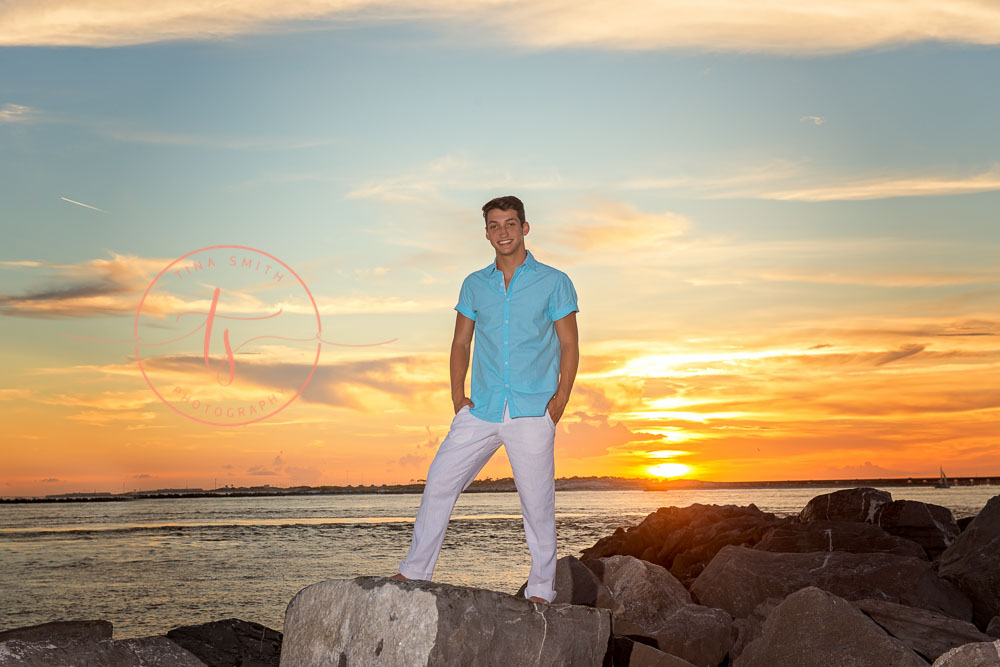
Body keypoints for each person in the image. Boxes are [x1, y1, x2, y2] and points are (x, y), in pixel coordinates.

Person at [392, 195, 580, 604]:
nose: (503, 232)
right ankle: (415, 572)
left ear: (525, 227)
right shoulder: (474, 285)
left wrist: (559, 400)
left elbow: (569, 344)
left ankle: (542, 590)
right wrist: (457, 396)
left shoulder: (554, 281)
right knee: (440, 481)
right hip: (481, 408)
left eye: (510, 224)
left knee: (537, 505)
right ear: (486, 233)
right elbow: (460, 343)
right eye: (494, 226)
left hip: (533, 410)